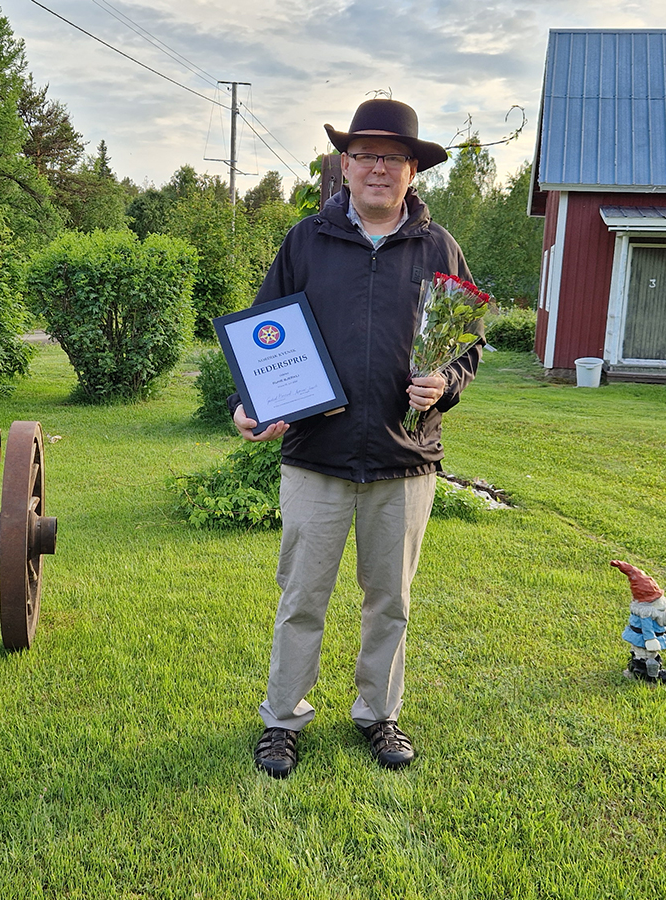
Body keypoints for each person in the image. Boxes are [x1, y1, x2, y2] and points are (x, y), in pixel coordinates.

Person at [230, 98, 480, 778]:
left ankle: (379, 716)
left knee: (389, 602)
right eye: (364, 155)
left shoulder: (439, 248)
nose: (377, 167)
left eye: (391, 157)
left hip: (404, 460)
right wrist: (246, 406)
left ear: (411, 170)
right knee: (302, 599)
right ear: (344, 165)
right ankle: (283, 721)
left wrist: (445, 384)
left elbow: (465, 348)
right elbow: (261, 336)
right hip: (317, 458)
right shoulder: (306, 241)